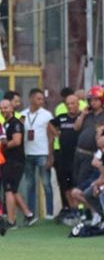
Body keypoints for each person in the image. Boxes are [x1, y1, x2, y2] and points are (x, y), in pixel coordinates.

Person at [73, 86, 104, 216]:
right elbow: (76, 127)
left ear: (102, 100)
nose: (93, 103)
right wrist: (82, 115)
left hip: (93, 154)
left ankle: (96, 212)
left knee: (86, 185)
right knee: (78, 183)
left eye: (96, 100)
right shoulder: (87, 114)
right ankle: (88, 211)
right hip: (80, 152)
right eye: (91, 100)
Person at [21, 88, 55, 221]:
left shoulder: (47, 115)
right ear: (31, 99)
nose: (41, 101)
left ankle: (50, 213)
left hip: (42, 153)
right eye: (38, 98)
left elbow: (52, 135)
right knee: (30, 184)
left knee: (46, 183)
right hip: (27, 153)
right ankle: (31, 214)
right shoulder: (23, 115)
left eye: (42, 99)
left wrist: (50, 154)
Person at [1, 99, 35, 228]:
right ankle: (28, 214)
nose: (3, 110)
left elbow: (17, 141)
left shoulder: (15, 123)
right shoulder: (6, 123)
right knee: (13, 190)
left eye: (6, 107)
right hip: (9, 160)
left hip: (14, 161)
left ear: (11, 108)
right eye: (2, 108)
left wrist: (2, 146)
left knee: (8, 190)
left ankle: (11, 221)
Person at [51, 93, 84, 220]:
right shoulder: (62, 118)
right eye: (68, 104)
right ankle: (72, 209)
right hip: (64, 156)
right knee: (65, 184)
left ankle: (82, 211)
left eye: (73, 103)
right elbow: (50, 124)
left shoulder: (83, 116)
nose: (70, 106)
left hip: (78, 157)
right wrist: (57, 133)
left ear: (78, 104)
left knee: (78, 183)